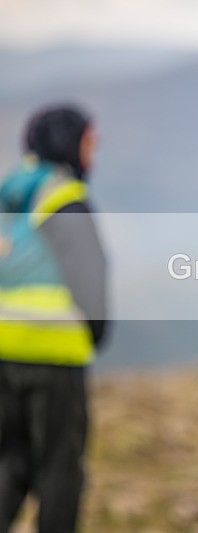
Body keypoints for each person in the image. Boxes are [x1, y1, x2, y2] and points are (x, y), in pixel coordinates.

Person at [0, 105, 108, 532]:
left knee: (10, 462)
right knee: (61, 469)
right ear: (71, 143)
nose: (92, 156)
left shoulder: (13, 191)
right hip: (55, 353)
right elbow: (90, 279)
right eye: (89, 144)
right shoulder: (65, 198)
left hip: (4, 351)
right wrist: (93, 335)